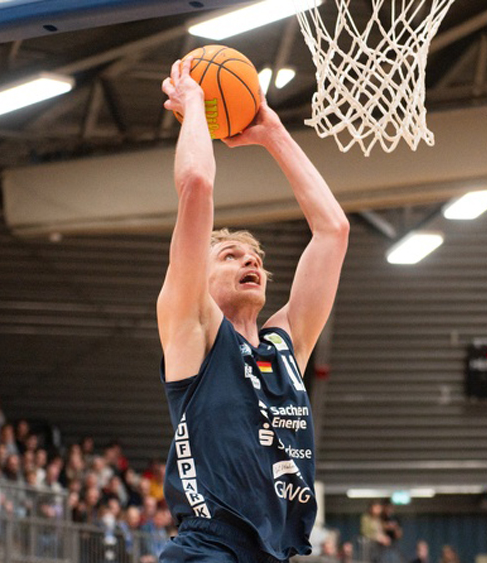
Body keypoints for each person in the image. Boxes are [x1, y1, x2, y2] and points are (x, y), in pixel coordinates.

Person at [156, 56, 350, 563]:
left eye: (256, 258)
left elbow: (333, 231)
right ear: (198, 275)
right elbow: (197, 184)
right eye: (230, 255)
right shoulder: (193, 330)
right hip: (208, 549)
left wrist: (274, 133)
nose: (250, 261)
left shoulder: (287, 346)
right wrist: (195, 104)